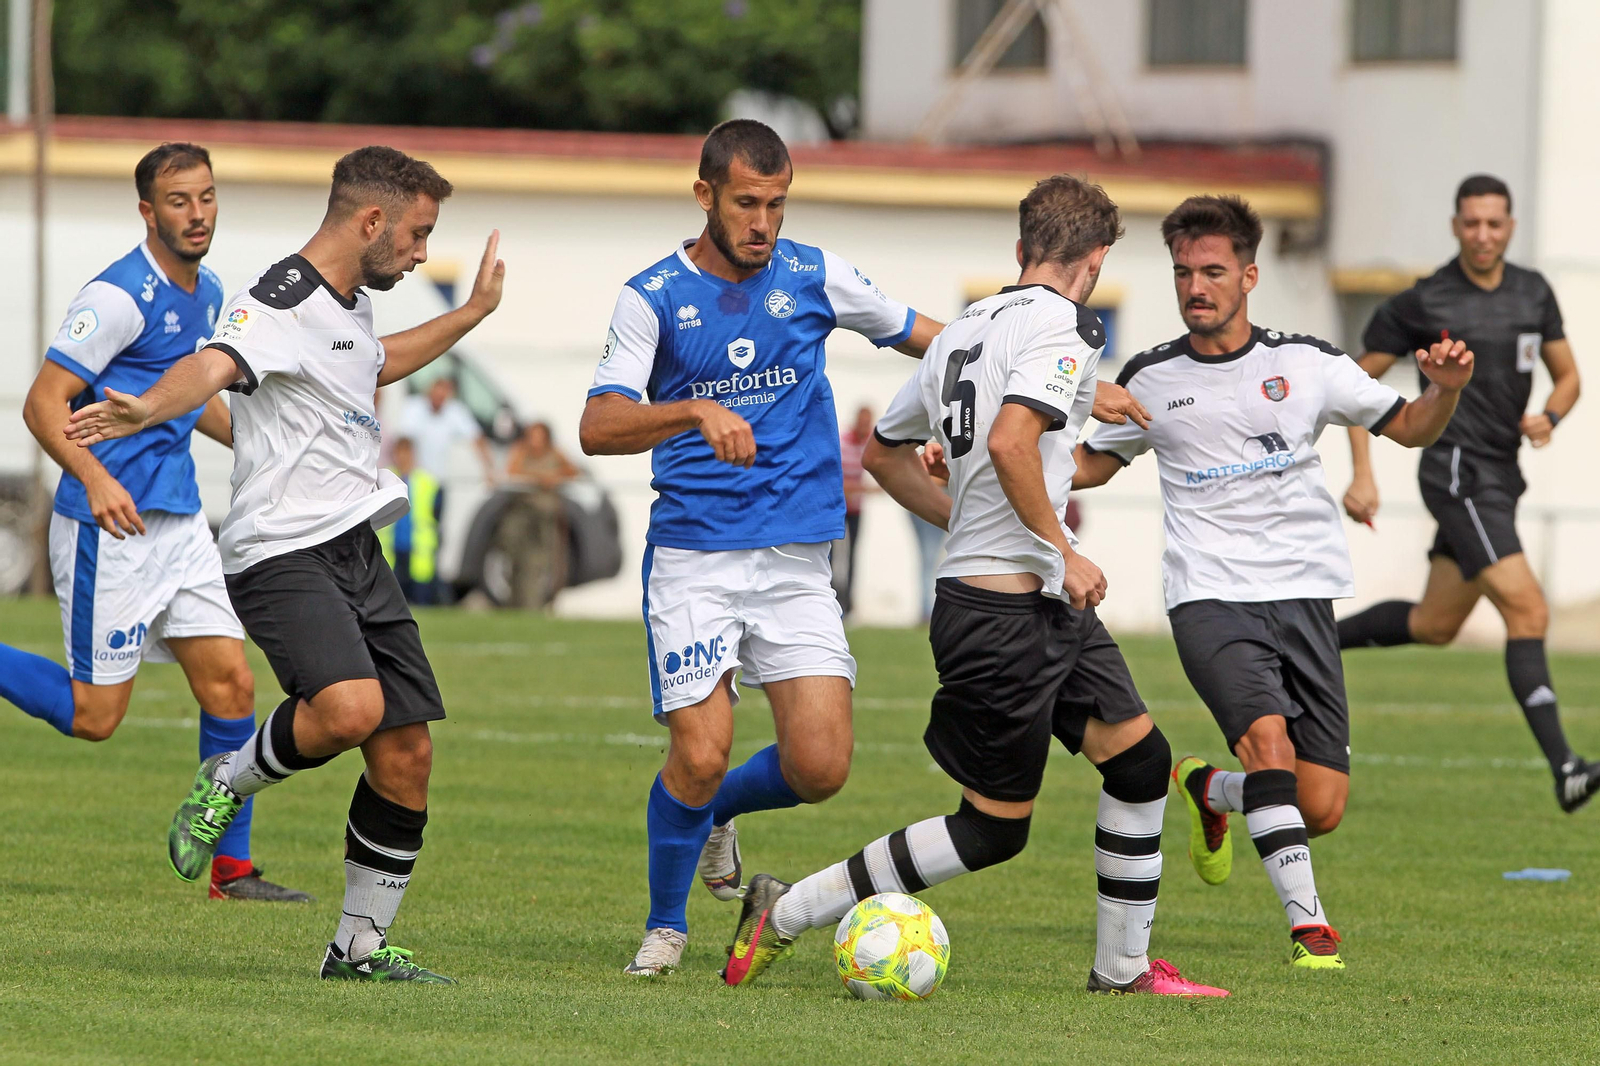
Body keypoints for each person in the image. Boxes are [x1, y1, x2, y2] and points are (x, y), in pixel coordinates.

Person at [722, 175, 1225, 996]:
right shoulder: (1069, 323)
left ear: (1022, 249)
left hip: (1031, 604)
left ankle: (1122, 971)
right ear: (1094, 261)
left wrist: (971, 527)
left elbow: (886, 453)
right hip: (1004, 616)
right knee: (992, 831)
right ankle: (785, 911)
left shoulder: (962, 331)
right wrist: (1061, 550)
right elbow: (1011, 440)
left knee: (1141, 764)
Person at [66, 146, 505, 983]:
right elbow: (214, 366)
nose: (419, 254)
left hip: (354, 548)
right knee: (347, 709)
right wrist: (150, 405)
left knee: (406, 753)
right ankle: (226, 779)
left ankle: (358, 950)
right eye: (416, 235)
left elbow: (376, 363)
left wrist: (473, 313)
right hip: (280, 552)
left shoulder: (348, 304)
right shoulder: (279, 296)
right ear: (370, 222)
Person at [578, 118, 944, 977]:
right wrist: (691, 410)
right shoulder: (653, 296)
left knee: (821, 767)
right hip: (697, 557)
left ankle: (712, 814)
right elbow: (598, 424)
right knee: (699, 751)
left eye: (777, 205)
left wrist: (1047, 377)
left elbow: (936, 337)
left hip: (795, 559)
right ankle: (667, 927)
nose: (763, 224)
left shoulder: (817, 274)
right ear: (704, 194)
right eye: (747, 203)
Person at [1074, 195, 1474, 970]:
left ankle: (1209, 790)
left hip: (1305, 596)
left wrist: (1446, 388)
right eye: (1184, 272)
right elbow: (1094, 462)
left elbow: (1414, 424)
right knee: (1271, 743)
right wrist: (1023, 455)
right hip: (1210, 597)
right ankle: (1310, 925)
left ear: (1249, 276)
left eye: (1213, 271)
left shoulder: (1308, 364)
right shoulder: (1150, 378)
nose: (1196, 286)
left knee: (1316, 804)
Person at [0, 142, 309, 903]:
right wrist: (96, 478)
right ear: (148, 211)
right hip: (108, 528)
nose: (197, 213)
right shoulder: (117, 297)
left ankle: (231, 870)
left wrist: (256, 441)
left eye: (206, 197)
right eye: (179, 201)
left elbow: (186, 392)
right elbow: (43, 403)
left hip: (178, 524)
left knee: (233, 688)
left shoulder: (210, 295)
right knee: (94, 716)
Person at [1337, 175, 1597, 811]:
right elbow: (1350, 384)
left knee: (1435, 624)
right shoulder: (1425, 301)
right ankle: (1566, 767)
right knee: (1530, 612)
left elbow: (1568, 379)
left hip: (1501, 478)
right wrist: (1363, 473)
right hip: (1457, 474)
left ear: (1510, 227)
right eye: (1472, 223)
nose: (1484, 234)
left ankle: (1313, 634)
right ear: (1455, 226)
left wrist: (1550, 419)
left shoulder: (1534, 292)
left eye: (1495, 223)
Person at [377, 437, 442, 605]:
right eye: (399, 453)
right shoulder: (385, 478)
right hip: (391, 550)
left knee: (421, 601)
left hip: (419, 549)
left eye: (406, 453)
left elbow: (437, 513)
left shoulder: (427, 481)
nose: (403, 457)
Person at [836, 405, 875, 615]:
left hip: (856, 509)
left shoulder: (869, 443)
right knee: (833, 555)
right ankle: (834, 597)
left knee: (852, 555)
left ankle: (848, 604)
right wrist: (866, 488)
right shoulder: (842, 443)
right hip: (839, 508)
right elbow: (839, 483)